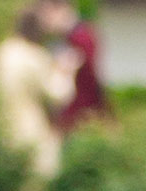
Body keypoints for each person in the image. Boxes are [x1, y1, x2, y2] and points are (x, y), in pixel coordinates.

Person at [0, 4, 77, 178]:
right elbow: (57, 95)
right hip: (33, 131)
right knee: (38, 186)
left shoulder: (5, 50)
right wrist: (66, 71)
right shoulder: (35, 56)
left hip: (5, 127)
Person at [41, 0, 108, 131]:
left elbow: (87, 82)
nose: (45, 22)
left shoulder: (80, 38)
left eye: (47, 15)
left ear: (60, 10)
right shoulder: (72, 37)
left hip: (81, 118)